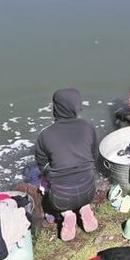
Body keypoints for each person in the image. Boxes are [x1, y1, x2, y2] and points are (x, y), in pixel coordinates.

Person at [33, 88, 100, 241]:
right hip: (88, 191)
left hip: (61, 199)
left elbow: (42, 164)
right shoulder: (88, 127)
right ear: (77, 107)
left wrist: (51, 174)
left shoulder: (46, 134)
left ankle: (67, 215)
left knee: (47, 182)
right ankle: (85, 208)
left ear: (55, 108)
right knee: (84, 176)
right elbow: (94, 155)